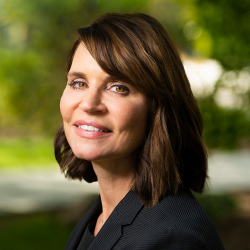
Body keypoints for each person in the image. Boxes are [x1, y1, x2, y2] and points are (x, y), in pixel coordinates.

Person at [54, 13, 225, 250]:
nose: (89, 104)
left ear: (158, 109)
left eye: (118, 88)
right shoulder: (102, 215)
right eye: (79, 83)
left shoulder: (172, 239)